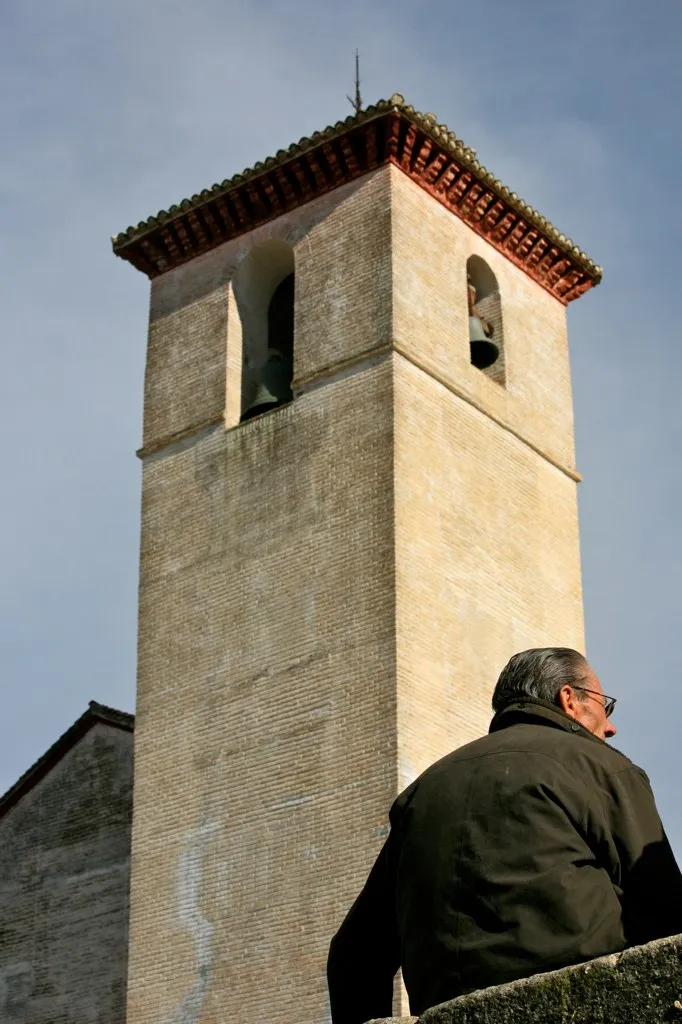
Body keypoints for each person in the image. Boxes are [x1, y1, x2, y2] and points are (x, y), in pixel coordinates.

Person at [327, 648, 682, 1024]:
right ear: (569, 699)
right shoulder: (600, 767)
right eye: (604, 707)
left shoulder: (421, 793)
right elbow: (665, 911)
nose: (610, 727)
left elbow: (353, 954)